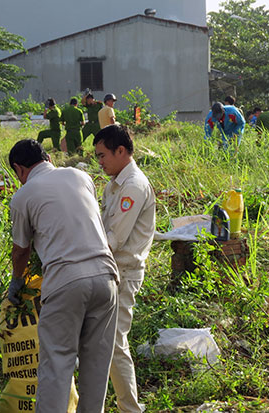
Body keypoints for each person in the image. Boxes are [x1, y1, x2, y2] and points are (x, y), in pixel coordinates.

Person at [7, 139, 119, 412]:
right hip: (106, 277)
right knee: (96, 363)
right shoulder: (80, 176)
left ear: (19, 169)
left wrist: (17, 281)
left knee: (57, 363)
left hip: (66, 281)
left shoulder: (24, 195)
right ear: (47, 157)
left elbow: (22, 250)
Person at [94, 124, 155, 413]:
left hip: (124, 272)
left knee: (115, 343)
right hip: (108, 270)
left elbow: (113, 238)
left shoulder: (133, 185)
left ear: (121, 151)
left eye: (103, 155)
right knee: (100, 342)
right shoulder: (114, 183)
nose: (100, 162)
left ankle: (130, 408)